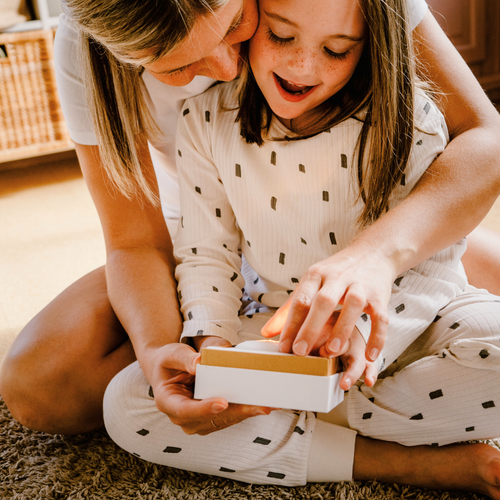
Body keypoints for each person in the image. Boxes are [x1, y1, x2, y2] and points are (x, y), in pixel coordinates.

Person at [0, 0, 500, 492]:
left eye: (236, 23)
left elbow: (484, 136)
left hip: (386, 250)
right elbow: (141, 243)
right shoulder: (189, 113)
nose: (224, 66)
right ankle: (390, 456)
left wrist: (376, 256)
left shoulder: (400, 103)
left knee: (463, 306)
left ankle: (290, 412)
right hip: (220, 246)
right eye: (176, 64)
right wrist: (170, 353)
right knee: (89, 393)